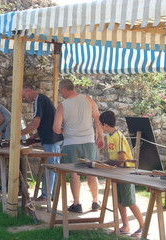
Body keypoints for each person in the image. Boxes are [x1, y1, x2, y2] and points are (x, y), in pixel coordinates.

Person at [53, 79, 104, 213]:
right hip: (89, 141)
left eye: (60, 91)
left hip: (71, 143)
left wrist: (65, 131)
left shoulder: (62, 105)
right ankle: (95, 200)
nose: (60, 93)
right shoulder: (87, 99)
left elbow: (56, 128)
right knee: (91, 172)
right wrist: (101, 136)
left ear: (64, 89)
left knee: (74, 174)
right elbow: (98, 119)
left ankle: (77, 203)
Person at [99, 110, 144, 237]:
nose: (101, 128)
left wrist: (112, 164)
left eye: (101, 125)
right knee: (119, 200)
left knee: (129, 201)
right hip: (118, 171)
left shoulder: (118, 136)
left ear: (106, 125)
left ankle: (143, 226)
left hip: (125, 171)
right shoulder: (109, 137)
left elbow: (122, 158)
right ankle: (125, 225)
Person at [21, 83, 63, 201]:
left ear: (28, 91)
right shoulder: (42, 100)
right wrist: (35, 136)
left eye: (24, 96)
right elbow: (47, 123)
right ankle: (52, 195)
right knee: (53, 166)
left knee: (50, 167)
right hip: (53, 138)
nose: (24, 99)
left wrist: (20, 133)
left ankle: (46, 195)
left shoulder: (39, 100)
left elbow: (36, 123)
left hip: (52, 139)